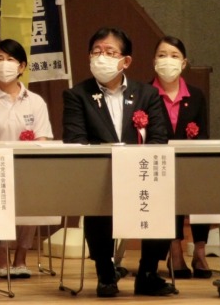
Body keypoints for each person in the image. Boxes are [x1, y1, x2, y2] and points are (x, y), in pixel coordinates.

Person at [62, 27, 174, 297]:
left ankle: (147, 273)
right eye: (96, 52)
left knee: (161, 199)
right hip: (100, 175)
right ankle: (105, 272)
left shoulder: (146, 94)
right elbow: (76, 139)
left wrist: (135, 165)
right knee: (98, 202)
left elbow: (159, 137)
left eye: (110, 52)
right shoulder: (78, 95)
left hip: (141, 172)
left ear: (126, 61)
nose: (102, 57)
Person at [0, 39, 53, 279]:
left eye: (10, 59)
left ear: (22, 66)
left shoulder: (35, 101)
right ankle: (1, 258)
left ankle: (21, 258)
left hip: (27, 166)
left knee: (33, 201)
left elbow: (43, 137)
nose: (4, 64)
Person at [151, 36, 211, 279]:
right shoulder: (145, 93)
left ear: (184, 63)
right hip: (157, 164)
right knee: (168, 185)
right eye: (162, 55)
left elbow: (203, 134)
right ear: (154, 61)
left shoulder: (195, 95)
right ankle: (174, 248)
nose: (168, 60)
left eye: (174, 56)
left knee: (203, 187)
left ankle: (200, 250)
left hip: (190, 164)